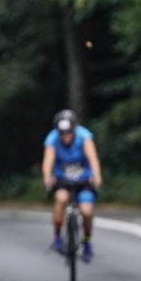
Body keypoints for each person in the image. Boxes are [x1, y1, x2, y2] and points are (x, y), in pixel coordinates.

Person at [42, 110, 103, 262]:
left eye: (68, 133)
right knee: (61, 199)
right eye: (62, 133)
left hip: (84, 180)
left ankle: (86, 241)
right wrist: (47, 177)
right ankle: (57, 237)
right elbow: (48, 161)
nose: (66, 136)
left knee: (87, 211)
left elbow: (93, 158)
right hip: (63, 180)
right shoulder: (52, 138)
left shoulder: (84, 136)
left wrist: (97, 175)